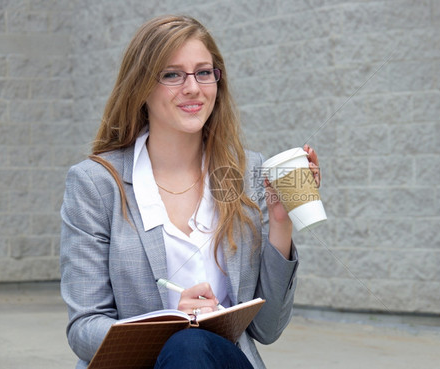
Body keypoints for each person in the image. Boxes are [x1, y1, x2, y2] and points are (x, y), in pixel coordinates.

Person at [60, 15, 321, 369]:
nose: (193, 88)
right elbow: (84, 329)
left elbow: (267, 328)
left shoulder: (246, 174)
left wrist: (281, 222)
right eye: (172, 74)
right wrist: (168, 327)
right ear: (140, 88)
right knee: (187, 346)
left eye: (203, 72)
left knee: (194, 348)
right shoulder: (96, 184)